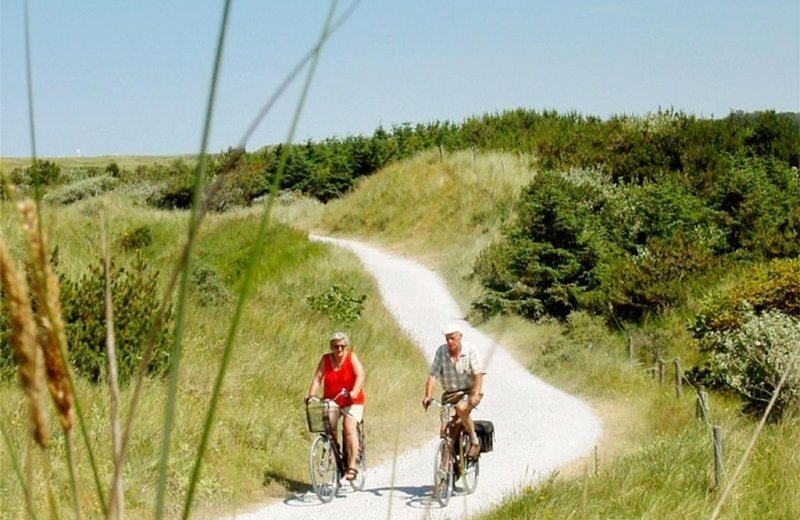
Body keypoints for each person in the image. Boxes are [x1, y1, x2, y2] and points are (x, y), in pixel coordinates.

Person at [305, 332, 366, 481]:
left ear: (346, 347)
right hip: (333, 399)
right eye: (336, 346)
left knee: (348, 427)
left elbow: (361, 374)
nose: (339, 350)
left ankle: (352, 466)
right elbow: (318, 379)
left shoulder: (351, 357)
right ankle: (335, 451)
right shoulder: (326, 360)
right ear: (331, 347)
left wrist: (354, 391)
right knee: (328, 426)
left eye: (342, 346)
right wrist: (311, 395)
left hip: (352, 400)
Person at [422, 323, 486, 459]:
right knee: (444, 431)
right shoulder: (441, 352)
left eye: (452, 338)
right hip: (450, 395)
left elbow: (478, 374)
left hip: (470, 391)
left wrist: (475, 394)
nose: (450, 342)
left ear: (460, 337)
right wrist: (428, 395)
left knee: (461, 409)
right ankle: (446, 469)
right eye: (447, 339)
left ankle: (475, 442)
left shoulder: (470, 350)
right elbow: (433, 375)